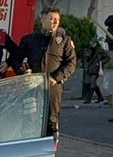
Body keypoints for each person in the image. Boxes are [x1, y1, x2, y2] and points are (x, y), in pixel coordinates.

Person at [13, 7, 77, 141]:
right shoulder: (29, 39)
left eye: (57, 19)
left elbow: (71, 64)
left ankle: (50, 150)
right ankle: (29, 149)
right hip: (32, 87)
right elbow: (15, 60)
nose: (55, 22)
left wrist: (55, 77)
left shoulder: (64, 41)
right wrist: (23, 72)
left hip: (53, 87)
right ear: (42, 20)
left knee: (52, 120)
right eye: (51, 19)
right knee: (29, 119)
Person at [79, 39, 108, 104]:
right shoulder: (91, 50)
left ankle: (88, 99)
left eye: (93, 43)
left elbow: (107, 57)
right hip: (92, 68)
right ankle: (100, 97)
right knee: (93, 84)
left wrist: (100, 62)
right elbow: (88, 59)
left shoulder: (100, 50)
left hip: (96, 69)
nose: (92, 45)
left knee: (92, 83)